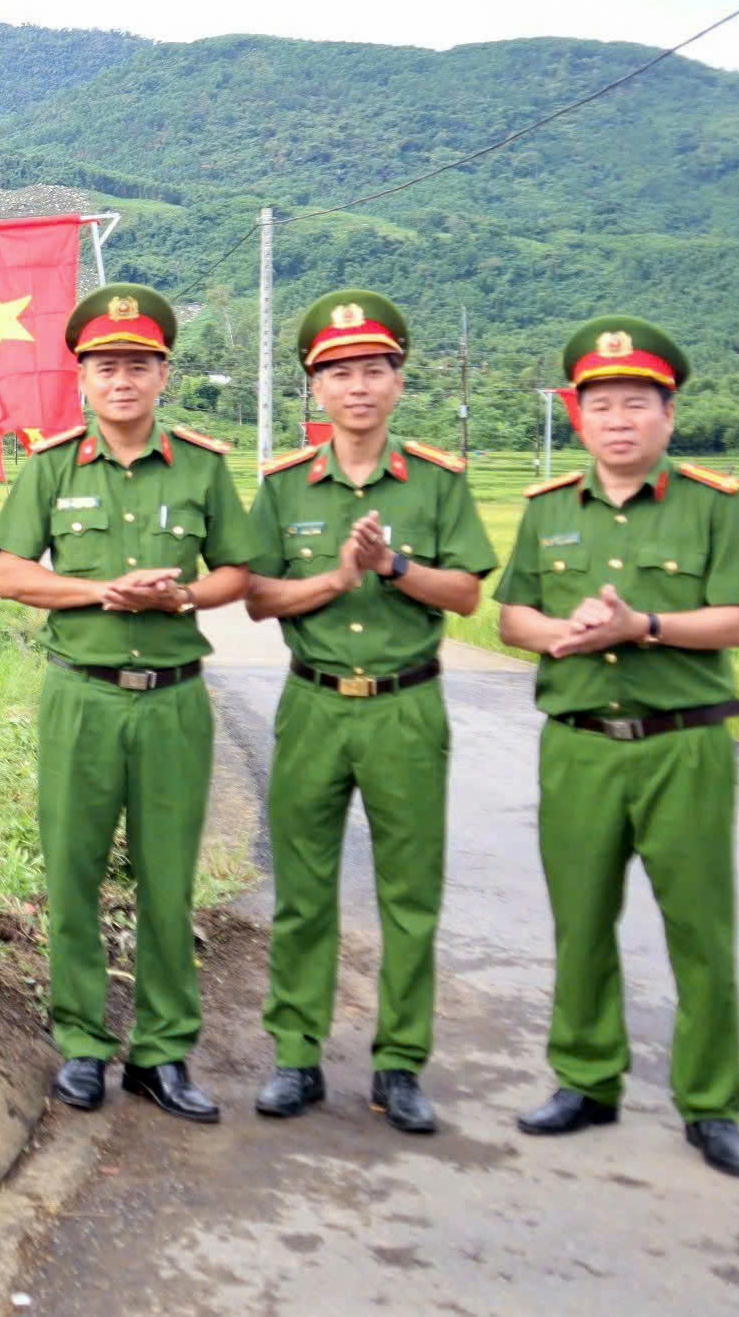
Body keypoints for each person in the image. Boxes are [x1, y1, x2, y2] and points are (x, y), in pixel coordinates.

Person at [495, 317, 739, 1178]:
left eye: (637, 404)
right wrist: (562, 633)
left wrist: (642, 625)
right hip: (578, 745)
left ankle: (712, 1103)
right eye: (601, 404)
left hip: (681, 746)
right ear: (577, 417)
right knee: (581, 919)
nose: (619, 420)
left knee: (700, 927)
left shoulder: (713, 505)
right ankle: (586, 1077)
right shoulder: (547, 512)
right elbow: (512, 618)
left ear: (669, 414)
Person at [0, 283, 258, 1119]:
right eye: (106, 366)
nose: (122, 381)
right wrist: (106, 591)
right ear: (83, 378)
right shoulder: (52, 466)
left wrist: (177, 600)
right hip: (83, 698)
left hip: (173, 700)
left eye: (138, 364)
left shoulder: (205, 468)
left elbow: (237, 573)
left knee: (168, 880)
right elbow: (10, 573)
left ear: (164, 374)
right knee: (72, 872)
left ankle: (165, 1051)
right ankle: (81, 1043)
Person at [244, 290, 496, 1134]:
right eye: (340, 373)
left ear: (399, 379)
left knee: (410, 893)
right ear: (315, 388)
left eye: (374, 370)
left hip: (405, 708)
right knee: (303, 890)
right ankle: (297, 1056)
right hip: (314, 704)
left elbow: (465, 592)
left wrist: (391, 566)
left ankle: (400, 1065)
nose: (359, 387)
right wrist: (337, 579)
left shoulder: (437, 483)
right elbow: (257, 597)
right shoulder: (283, 488)